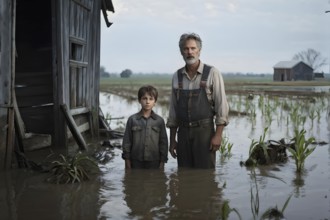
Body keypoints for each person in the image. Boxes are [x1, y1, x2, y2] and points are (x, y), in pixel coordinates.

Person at [166, 32, 229, 169]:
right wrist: (172, 140)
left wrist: (218, 135)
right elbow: (173, 110)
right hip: (182, 133)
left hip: (204, 133)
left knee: (205, 176)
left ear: (199, 51)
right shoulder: (177, 76)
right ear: (181, 52)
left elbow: (221, 107)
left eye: (193, 48)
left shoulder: (213, 73)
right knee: (184, 175)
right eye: (186, 49)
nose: (190, 52)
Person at [122, 85, 168, 169]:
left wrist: (162, 162)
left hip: (154, 161)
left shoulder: (159, 121)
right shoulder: (132, 120)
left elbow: (163, 143)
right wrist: (127, 161)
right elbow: (127, 142)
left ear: (155, 102)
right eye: (144, 98)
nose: (147, 102)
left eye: (151, 99)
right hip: (135, 161)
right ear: (139, 100)